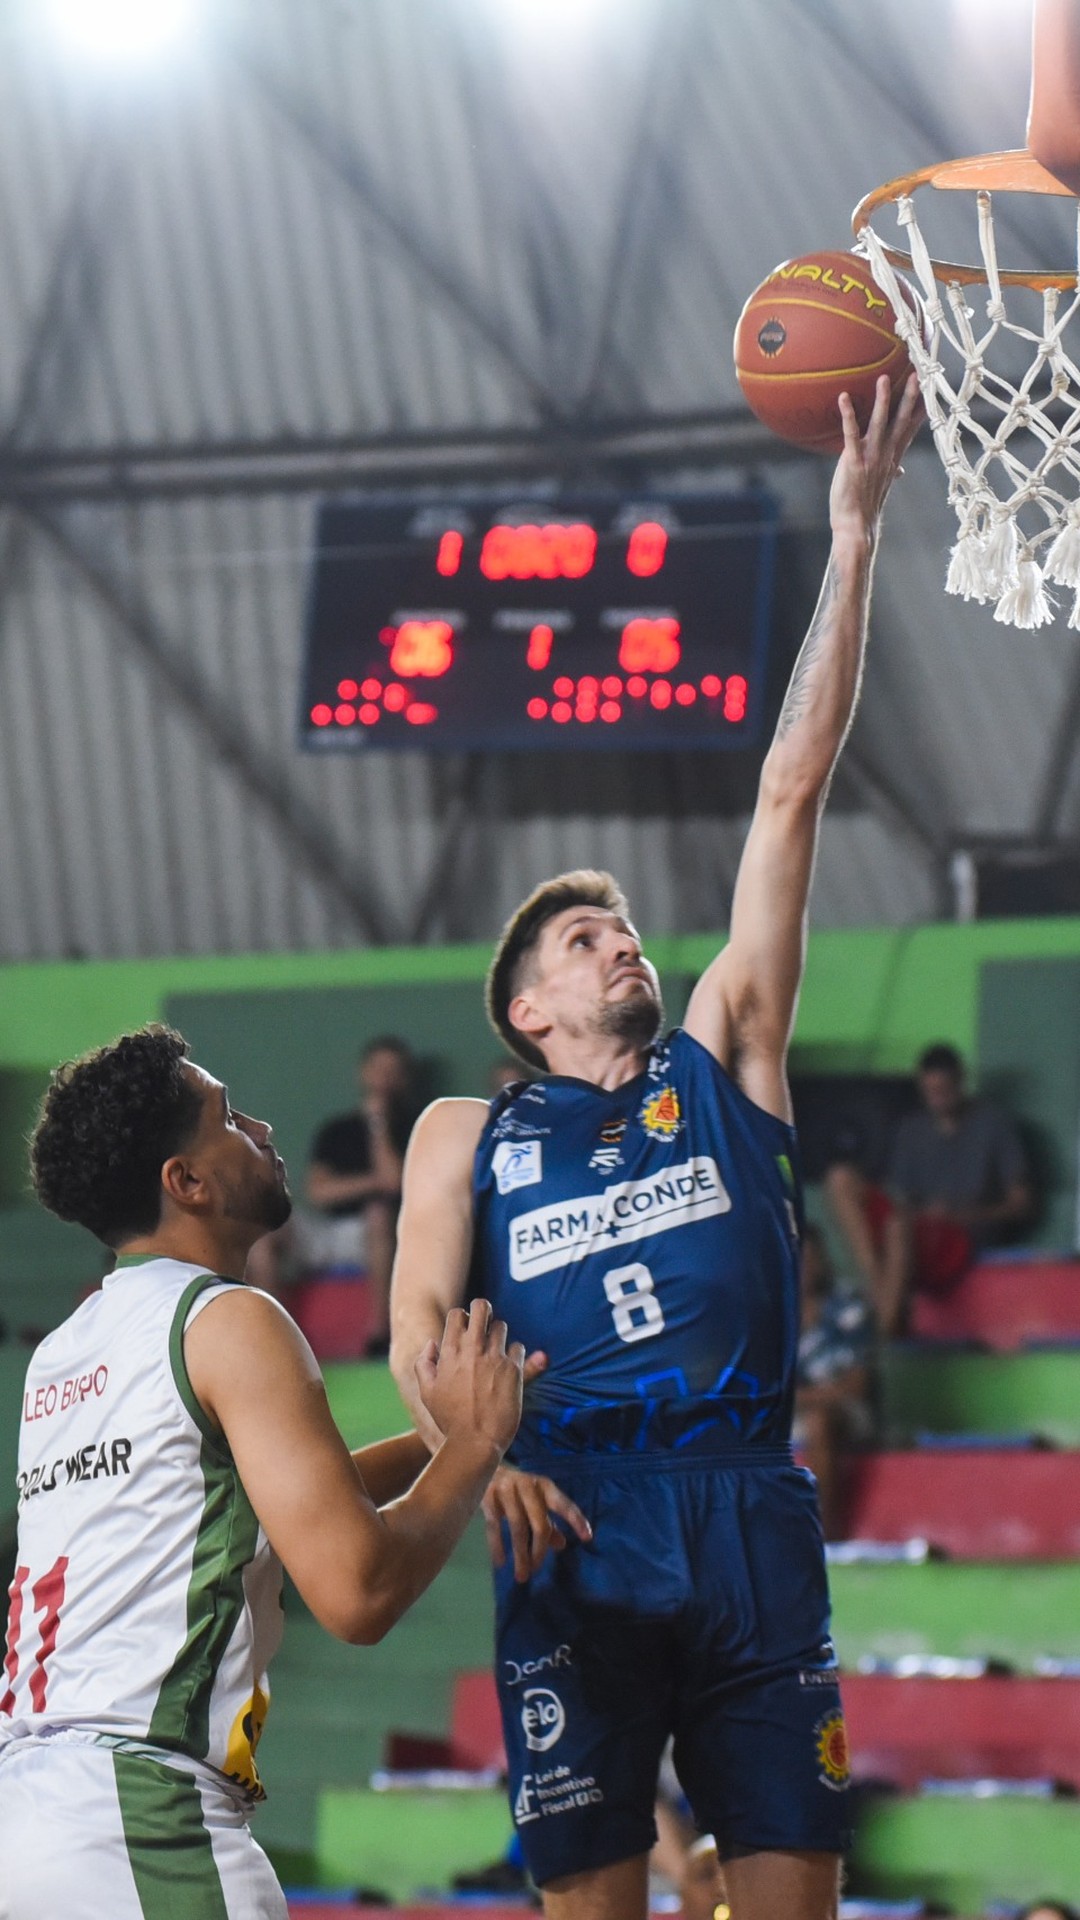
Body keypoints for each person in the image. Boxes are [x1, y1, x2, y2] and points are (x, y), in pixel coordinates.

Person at [391, 375, 923, 1920]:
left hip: (749, 1503)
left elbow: (788, 788)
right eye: (581, 934)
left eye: (621, 923)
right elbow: (420, 1334)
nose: (618, 938)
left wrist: (854, 532)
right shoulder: (466, 1132)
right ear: (528, 1010)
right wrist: (461, 1448)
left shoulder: (721, 1049)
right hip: (576, 1522)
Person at [0, 1024, 523, 1920]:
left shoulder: (66, 1351)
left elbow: (266, 1504)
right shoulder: (232, 1318)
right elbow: (356, 1590)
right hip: (142, 1820)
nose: (265, 1128)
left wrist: (444, 1441)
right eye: (229, 1118)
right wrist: (474, 1447)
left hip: (32, 1814)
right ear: (187, 1182)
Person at [825, 1042, 1033, 1337]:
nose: (937, 1099)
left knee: (898, 1226)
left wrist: (960, 1215)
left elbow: (1021, 1205)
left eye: (944, 1090)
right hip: (916, 1228)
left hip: (961, 1235)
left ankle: (883, 1335)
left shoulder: (994, 1123)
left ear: (960, 1082)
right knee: (841, 1178)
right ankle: (878, 1292)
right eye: (930, 1091)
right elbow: (899, 1196)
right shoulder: (912, 1129)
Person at [248, 1035, 421, 1356]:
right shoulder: (337, 1130)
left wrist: (378, 1124)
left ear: (403, 1078)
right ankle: (273, 1337)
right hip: (328, 1232)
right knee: (266, 1228)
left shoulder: (415, 1126)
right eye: (377, 1068)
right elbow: (319, 1192)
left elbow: (395, 1182)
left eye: (392, 1070)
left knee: (378, 1214)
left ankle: (380, 1336)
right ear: (364, 1073)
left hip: (381, 1237)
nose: (384, 1077)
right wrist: (374, 1182)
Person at [793, 1225, 876, 1541]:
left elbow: (856, 1387)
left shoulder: (848, 1305)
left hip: (847, 1412)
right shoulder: (773, 1312)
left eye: (812, 1257)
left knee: (820, 1421)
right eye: (799, 1258)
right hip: (789, 1412)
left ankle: (824, 1537)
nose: (806, 1266)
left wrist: (800, 1397)